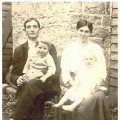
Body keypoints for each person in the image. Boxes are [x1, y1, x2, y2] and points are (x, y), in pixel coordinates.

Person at [59, 20, 111, 120]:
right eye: (81, 30)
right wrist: (73, 84)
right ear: (77, 30)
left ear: (90, 32)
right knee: (76, 96)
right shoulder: (70, 48)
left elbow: (102, 70)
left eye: (86, 31)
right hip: (74, 82)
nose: (83, 34)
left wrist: (97, 85)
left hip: (92, 81)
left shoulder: (96, 48)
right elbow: (64, 70)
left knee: (98, 96)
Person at [10, 18, 61, 120]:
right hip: (27, 85)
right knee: (37, 95)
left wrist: (39, 74)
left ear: (39, 30)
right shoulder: (19, 50)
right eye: (28, 27)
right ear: (25, 31)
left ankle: (16, 118)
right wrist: (17, 79)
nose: (32, 29)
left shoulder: (49, 47)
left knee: (33, 86)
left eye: (35, 27)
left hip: (47, 84)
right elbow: (14, 74)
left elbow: (56, 71)